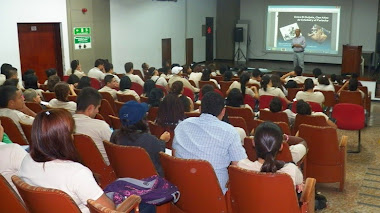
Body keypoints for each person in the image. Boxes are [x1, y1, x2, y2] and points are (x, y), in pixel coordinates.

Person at [18, 109, 115, 213]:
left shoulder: (26, 161)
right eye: (71, 133)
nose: (72, 137)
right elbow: (108, 210)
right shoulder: (76, 173)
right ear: (64, 139)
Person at [173, 92, 250, 194]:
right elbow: (240, 166)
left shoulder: (182, 125)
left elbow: (174, 155)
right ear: (223, 112)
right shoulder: (230, 132)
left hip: (182, 191)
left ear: (200, 109)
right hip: (214, 196)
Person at [111, 101, 170, 176]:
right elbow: (160, 155)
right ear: (142, 120)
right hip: (149, 182)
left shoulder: (115, 135)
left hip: (125, 177)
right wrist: (162, 141)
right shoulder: (150, 140)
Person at [238, 122, 304, 189]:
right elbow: (300, 182)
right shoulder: (291, 170)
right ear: (281, 146)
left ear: (253, 143)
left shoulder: (241, 167)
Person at [73, 87, 112, 165]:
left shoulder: (64, 124)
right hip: (103, 172)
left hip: (75, 167)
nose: (98, 111)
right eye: (98, 108)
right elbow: (114, 153)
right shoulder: (101, 126)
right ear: (90, 108)